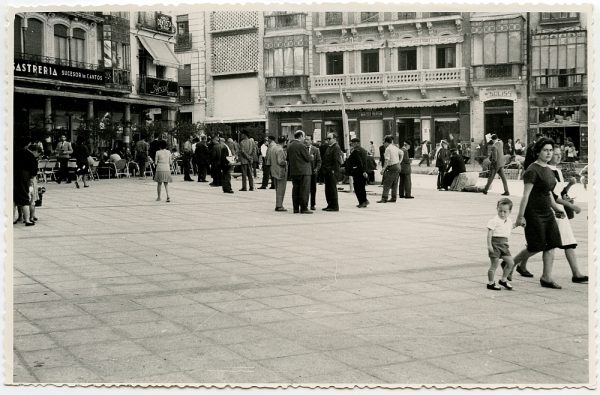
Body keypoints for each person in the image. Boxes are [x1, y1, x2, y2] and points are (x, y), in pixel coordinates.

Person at [509, 146, 588, 284]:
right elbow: (541, 195)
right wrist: (520, 216)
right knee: (540, 244)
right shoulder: (536, 170)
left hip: (554, 211)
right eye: (551, 152)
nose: (556, 156)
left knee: (556, 243)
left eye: (556, 153)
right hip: (544, 211)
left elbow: (554, 193)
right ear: (539, 152)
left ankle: (559, 274)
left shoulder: (554, 171)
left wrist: (568, 191)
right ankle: (514, 263)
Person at [514, 137, 564, 289]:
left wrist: (556, 208)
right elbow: (525, 195)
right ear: (537, 152)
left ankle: (546, 277)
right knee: (536, 246)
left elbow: (548, 193)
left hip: (546, 212)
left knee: (552, 244)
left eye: (550, 150)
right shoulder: (532, 170)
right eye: (545, 150)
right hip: (533, 212)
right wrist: (520, 216)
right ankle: (510, 263)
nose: (549, 153)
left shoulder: (548, 170)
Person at [486, 198, 517, 290]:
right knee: (494, 264)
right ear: (497, 209)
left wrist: (519, 224)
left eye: (505, 211)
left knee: (511, 263)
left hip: (504, 244)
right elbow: (489, 234)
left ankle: (503, 280)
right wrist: (489, 245)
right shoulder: (494, 220)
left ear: (510, 211)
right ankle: (490, 283)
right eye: (500, 211)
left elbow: (511, 227)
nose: (502, 213)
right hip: (495, 244)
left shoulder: (509, 220)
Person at [287, 130, 312, 214]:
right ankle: (304, 208)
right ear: (300, 136)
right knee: (304, 190)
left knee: (295, 190)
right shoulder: (302, 146)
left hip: (294, 171)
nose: (304, 139)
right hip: (304, 171)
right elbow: (308, 158)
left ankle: (295, 208)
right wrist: (311, 156)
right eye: (304, 136)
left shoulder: (289, 146)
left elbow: (288, 158)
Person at [13, 137, 37, 226]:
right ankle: (27, 220)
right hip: (24, 176)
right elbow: (34, 169)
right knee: (24, 197)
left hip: (13, 175)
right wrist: (31, 179)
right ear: (27, 144)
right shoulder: (29, 154)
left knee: (13, 198)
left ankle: (12, 218)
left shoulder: (14, 153)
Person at [321, 132, 343, 211]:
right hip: (327, 171)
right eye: (327, 139)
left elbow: (337, 161)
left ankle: (334, 206)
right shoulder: (329, 147)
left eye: (329, 139)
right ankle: (329, 204)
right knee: (328, 189)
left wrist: (334, 171)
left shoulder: (336, 147)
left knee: (332, 189)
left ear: (334, 139)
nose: (328, 140)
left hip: (332, 172)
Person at [346, 138, 369, 208]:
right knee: (362, 187)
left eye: (352, 143)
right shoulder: (364, 150)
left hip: (358, 171)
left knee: (357, 187)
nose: (351, 144)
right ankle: (364, 201)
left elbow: (359, 162)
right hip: (363, 171)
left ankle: (362, 202)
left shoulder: (356, 151)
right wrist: (365, 171)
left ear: (356, 143)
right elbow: (365, 162)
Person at [377, 135, 401, 203]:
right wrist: (399, 161)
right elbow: (401, 153)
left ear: (386, 142)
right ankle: (393, 198)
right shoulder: (395, 147)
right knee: (394, 183)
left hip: (392, 167)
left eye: (383, 143)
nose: (383, 144)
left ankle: (384, 198)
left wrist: (383, 169)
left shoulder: (388, 149)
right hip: (397, 166)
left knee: (387, 183)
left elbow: (386, 160)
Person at [269, 136, 288, 211]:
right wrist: (286, 162)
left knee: (277, 189)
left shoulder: (273, 148)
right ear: (284, 142)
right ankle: (279, 205)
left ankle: (278, 204)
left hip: (274, 170)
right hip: (280, 171)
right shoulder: (280, 150)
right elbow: (280, 161)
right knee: (281, 189)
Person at [305, 135, 321, 210]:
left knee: (313, 189)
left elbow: (319, 161)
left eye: (308, 139)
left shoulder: (316, 150)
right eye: (305, 139)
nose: (306, 141)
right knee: (305, 189)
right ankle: (305, 204)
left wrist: (316, 169)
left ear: (311, 141)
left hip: (313, 172)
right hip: (305, 172)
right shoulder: (303, 148)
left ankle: (312, 204)